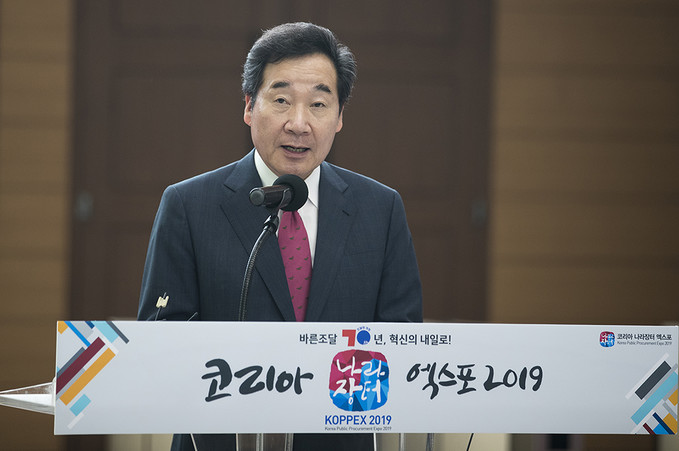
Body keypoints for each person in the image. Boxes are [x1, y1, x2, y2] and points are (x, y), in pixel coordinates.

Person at [137, 22, 422, 451]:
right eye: (282, 100)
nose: (299, 123)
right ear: (249, 106)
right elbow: (160, 339)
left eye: (319, 104)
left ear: (340, 117)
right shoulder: (188, 205)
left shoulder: (380, 209)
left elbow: (402, 341)